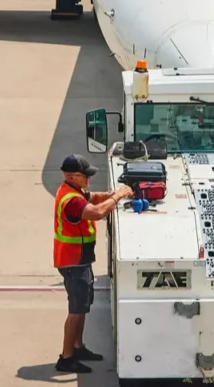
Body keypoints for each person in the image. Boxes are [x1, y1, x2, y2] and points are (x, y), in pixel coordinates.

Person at [54, 155, 133, 374]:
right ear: (71, 176)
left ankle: (78, 348)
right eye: (85, 176)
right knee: (76, 311)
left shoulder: (73, 191)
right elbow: (96, 212)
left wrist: (110, 195)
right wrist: (117, 197)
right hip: (73, 261)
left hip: (80, 259)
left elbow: (94, 197)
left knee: (83, 307)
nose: (88, 179)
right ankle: (66, 358)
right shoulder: (71, 200)